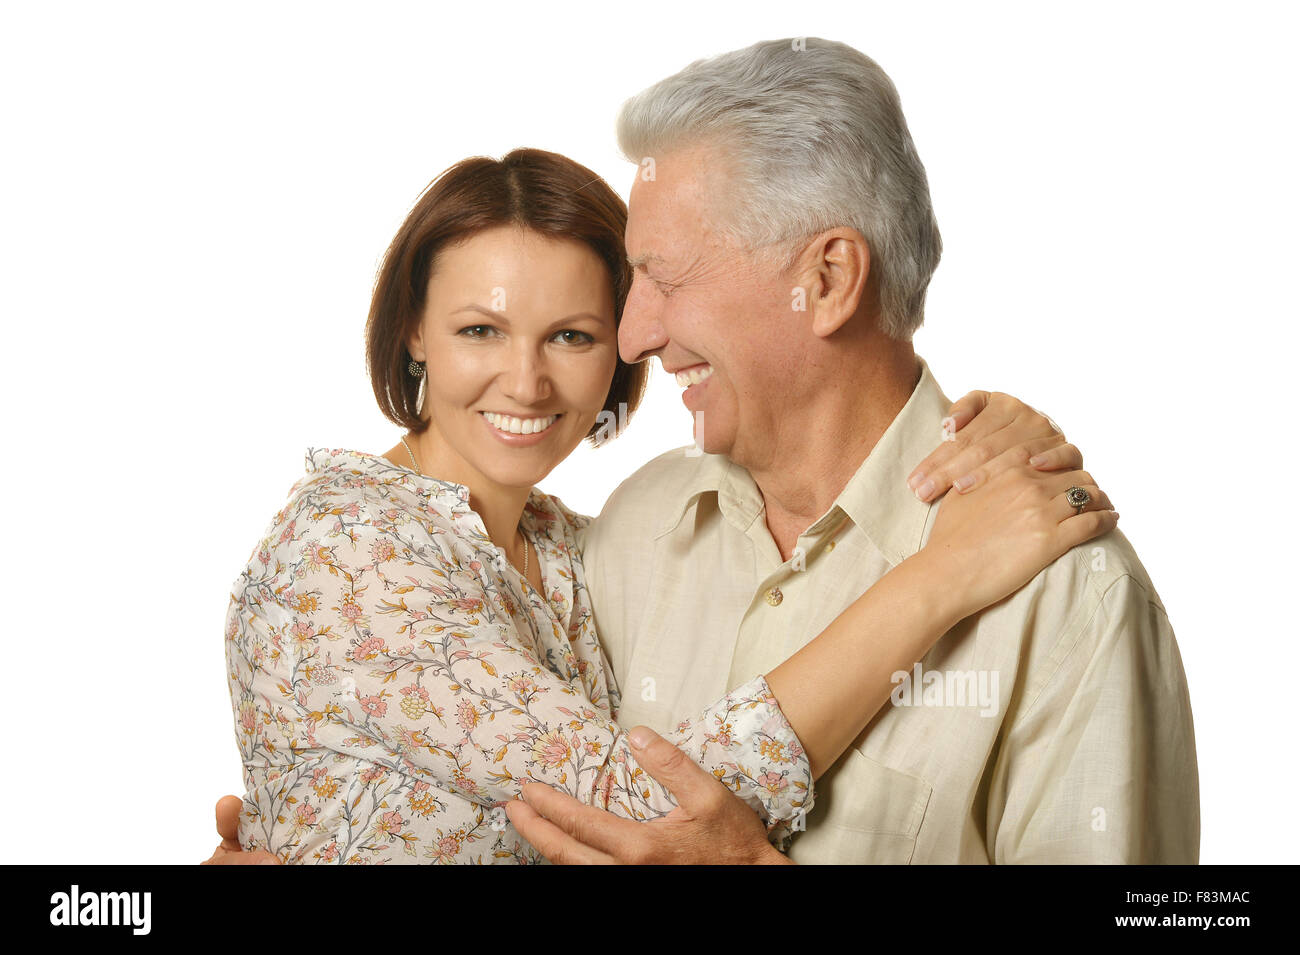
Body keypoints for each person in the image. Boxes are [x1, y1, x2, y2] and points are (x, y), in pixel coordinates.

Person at [209, 144, 1113, 864]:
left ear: (619, 353)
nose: (524, 380)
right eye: (479, 329)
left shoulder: (583, 548)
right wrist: (943, 575)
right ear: (413, 330)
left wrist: (979, 433)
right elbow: (645, 810)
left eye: (571, 335)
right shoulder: (346, 544)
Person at [502, 38, 1199, 865]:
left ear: (828, 279)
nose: (634, 333)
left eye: (667, 278)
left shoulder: (1072, 595)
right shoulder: (633, 529)